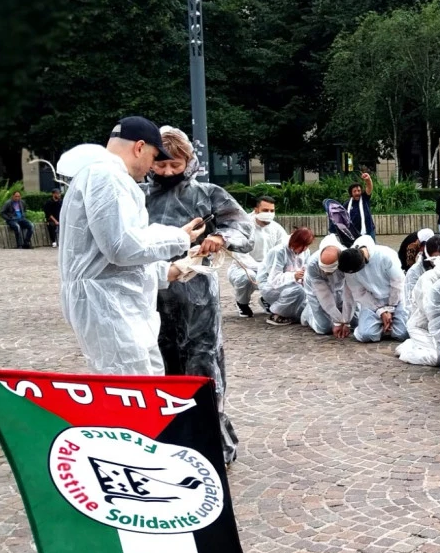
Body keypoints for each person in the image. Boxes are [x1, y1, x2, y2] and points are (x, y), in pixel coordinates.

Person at [56, 117, 206, 374]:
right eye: (153, 156)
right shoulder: (107, 176)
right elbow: (121, 247)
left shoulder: (103, 176)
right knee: (131, 391)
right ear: (139, 147)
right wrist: (179, 238)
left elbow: (112, 256)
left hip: (117, 305)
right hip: (110, 307)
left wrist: (170, 270)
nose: (151, 166)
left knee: (148, 383)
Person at [145, 127, 255, 464]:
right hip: (151, 291)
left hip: (197, 294)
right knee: (159, 362)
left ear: (189, 162)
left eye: (174, 166)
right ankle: (165, 437)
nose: (166, 173)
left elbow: (243, 227)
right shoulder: (136, 195)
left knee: (202, 362)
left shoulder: (207, 192)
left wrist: (220, 237)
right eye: (160, 166)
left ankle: (210, 440)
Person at [338, 235, 408, 342]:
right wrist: (380, 311)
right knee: (366, 335)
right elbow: (359, 293)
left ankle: (387, 325)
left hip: (396, 298)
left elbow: (398, 284)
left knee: (403, 334)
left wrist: (390, 308)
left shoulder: (386, 255)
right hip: (372, 302)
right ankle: (380, 324)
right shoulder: (349, 267)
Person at [227, 195, 288, 318]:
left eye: (272, 210)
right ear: (256, 210)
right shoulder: (243, 226)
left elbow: (283, 250)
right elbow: (242, 257)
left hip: (269, 268)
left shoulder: (276, 228)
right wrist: (265, 270)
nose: (269, 214)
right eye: (265, 210)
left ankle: (267, 300)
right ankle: (242, 303)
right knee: (247, 277)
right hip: (243, 268)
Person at [396, 238, 440, 366]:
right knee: (436, 357)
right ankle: (407, 349)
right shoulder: (416, 272)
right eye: (434, 258)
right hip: (422, 322)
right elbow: (409, 302)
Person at [258, 227, 315, 325]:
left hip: (293, 284)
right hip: (270, 285)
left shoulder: (305, 251)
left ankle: (274, 304)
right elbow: (273, 279)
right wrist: (294, 276)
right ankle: (277, 314)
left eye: (307, 246)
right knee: (298, 291)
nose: (305, 249)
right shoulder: (278, 251)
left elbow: (306, 267)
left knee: (305, 309)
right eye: (303, 246)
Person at [301, 237, 351, 337]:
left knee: (355, 322)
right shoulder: (312, 264)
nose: (326, 273)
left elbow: (350, 293)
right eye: (323, 270)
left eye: (330, 271)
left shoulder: (348, 260)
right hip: (316, 290)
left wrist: (346, 321)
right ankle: (308, 312)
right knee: (324, 328)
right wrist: (338, 321)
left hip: (339, 286)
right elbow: (324, 295)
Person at [345, 171, 375, 240]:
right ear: (351, 193)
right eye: (355, 191)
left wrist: (368, 179)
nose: (357, 193)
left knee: (371, 250)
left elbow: (369, 188)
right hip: (353, 233)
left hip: (368, 231)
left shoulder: (364, 198)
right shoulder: (347, 204)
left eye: (359, 190)